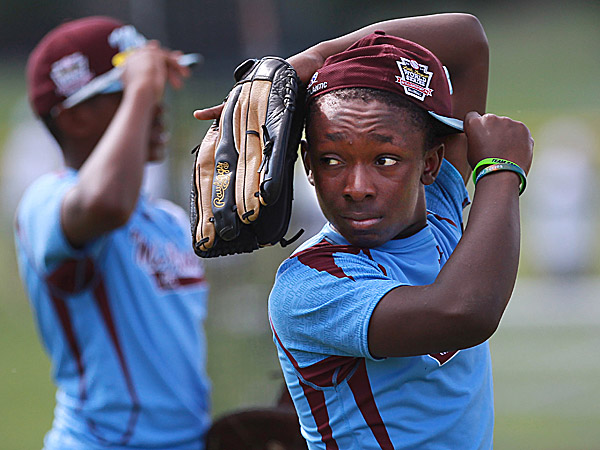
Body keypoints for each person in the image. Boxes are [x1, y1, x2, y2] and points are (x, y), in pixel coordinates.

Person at [263, 13, 533, 449]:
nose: (358, 188)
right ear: (308, 166)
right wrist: (501, 171)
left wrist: (314, 58)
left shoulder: (438, 206)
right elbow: (463, 314)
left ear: (430, 164)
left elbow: (467, 40)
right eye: (333, 160)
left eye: (385, 159)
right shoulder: (309, 285)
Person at [14, 16, 211, 449]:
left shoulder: (169, 220)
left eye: (155, 87)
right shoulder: (46, 200)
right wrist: (140, 89)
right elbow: (106, 203)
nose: (157, 104)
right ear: (74, 118)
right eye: (124, 90)